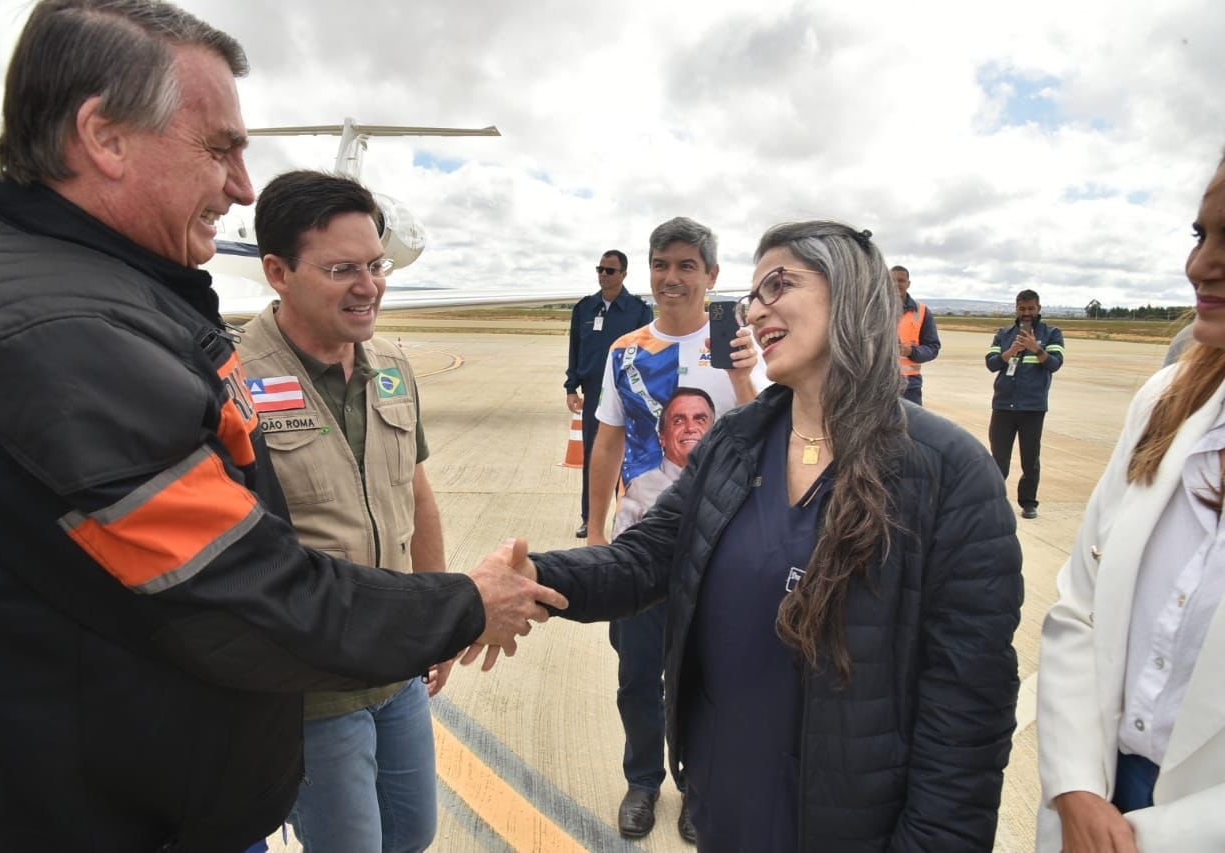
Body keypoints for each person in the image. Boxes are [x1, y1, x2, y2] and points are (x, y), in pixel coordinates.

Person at [0, 2, 564, 849]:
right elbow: (243, 602)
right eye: (220, 148)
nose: (241, 186)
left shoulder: (81, 301)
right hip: (113, 798)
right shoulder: (66, 339)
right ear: (104, 137)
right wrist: (461, 603)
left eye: (376, 267)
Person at [508, 220, 1021, 850]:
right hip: (728, 802)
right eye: (754, 294)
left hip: (850, 824)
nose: (755, 309)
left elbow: (968, 713)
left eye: (778, 285)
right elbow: (644, 560)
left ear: (850, 293)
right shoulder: (736, 442)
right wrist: (532, 577)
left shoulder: (946, 469)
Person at [236, 170, 446, 852]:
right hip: (311, 692)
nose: (370, 286)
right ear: (278, 271)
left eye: (376, 265)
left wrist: (440, 612)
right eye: (342, 269)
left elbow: (415, 493)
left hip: (399, 669)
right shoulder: (232, 380)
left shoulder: (391, 364)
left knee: (412, 832)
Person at [1036, 153, 1225, 852]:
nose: (1200, 265)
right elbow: (1078, 604)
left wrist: (1156, 837)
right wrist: (1078, 786)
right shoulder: (1167, 400)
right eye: (1201, 234)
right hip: (1098, 793)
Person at [585, 216, 763, 843]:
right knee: (636, 674)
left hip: (720, 546)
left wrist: (745, 373)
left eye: (688, 265)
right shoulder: (627, 349)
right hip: (640, 545)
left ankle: (696, 786)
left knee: (708, 676)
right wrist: (595, 532)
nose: (672, 277)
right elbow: (606, 441)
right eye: (662, 264)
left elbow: (765, 431)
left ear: (712, 276)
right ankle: (642, 780)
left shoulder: (741, 348)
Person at [564, 250, 652, 537]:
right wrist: (571, 387)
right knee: (594, 456)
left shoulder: (638, 310)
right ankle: (590, 519)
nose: (603, 274)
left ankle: (626, 518)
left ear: (623, 274)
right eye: (600, 269)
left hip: (628, 392)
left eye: (610, 270)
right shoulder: (585, 309)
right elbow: (575, 348)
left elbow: (647, 352)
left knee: (631, 457)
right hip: (593, 392)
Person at [986, 289, 1065, 519]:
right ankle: (995, 501)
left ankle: (1029, 502)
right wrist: (1010, 352)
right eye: (1022, 309)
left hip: (1033, 407)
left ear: (1039, 308)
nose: (1027, 313)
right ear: (1016, 308)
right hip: (1003, 405)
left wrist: (1036, 348)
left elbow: (1055, 364)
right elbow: (991, 364)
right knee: (998, 458)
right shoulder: (1004, 334)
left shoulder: (1052, 334)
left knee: (1030, 459)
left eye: (1031, 308)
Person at [611, 387, 715, 534]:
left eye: (700, 420)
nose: (691, 428)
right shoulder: (639, 489)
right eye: (678, 420)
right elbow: (622, 551)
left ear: (715, 433)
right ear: (663, 437)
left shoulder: (730, 486)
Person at [890, 265, 941, 405]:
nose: (896, 284)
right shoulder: (873, 309)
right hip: (878, 383)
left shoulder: (922, 312)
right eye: (891, 280)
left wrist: (912, 351)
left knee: (910, 426)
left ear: (908, 284)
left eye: (900, 280)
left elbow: (933, 347)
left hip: (909, 386)